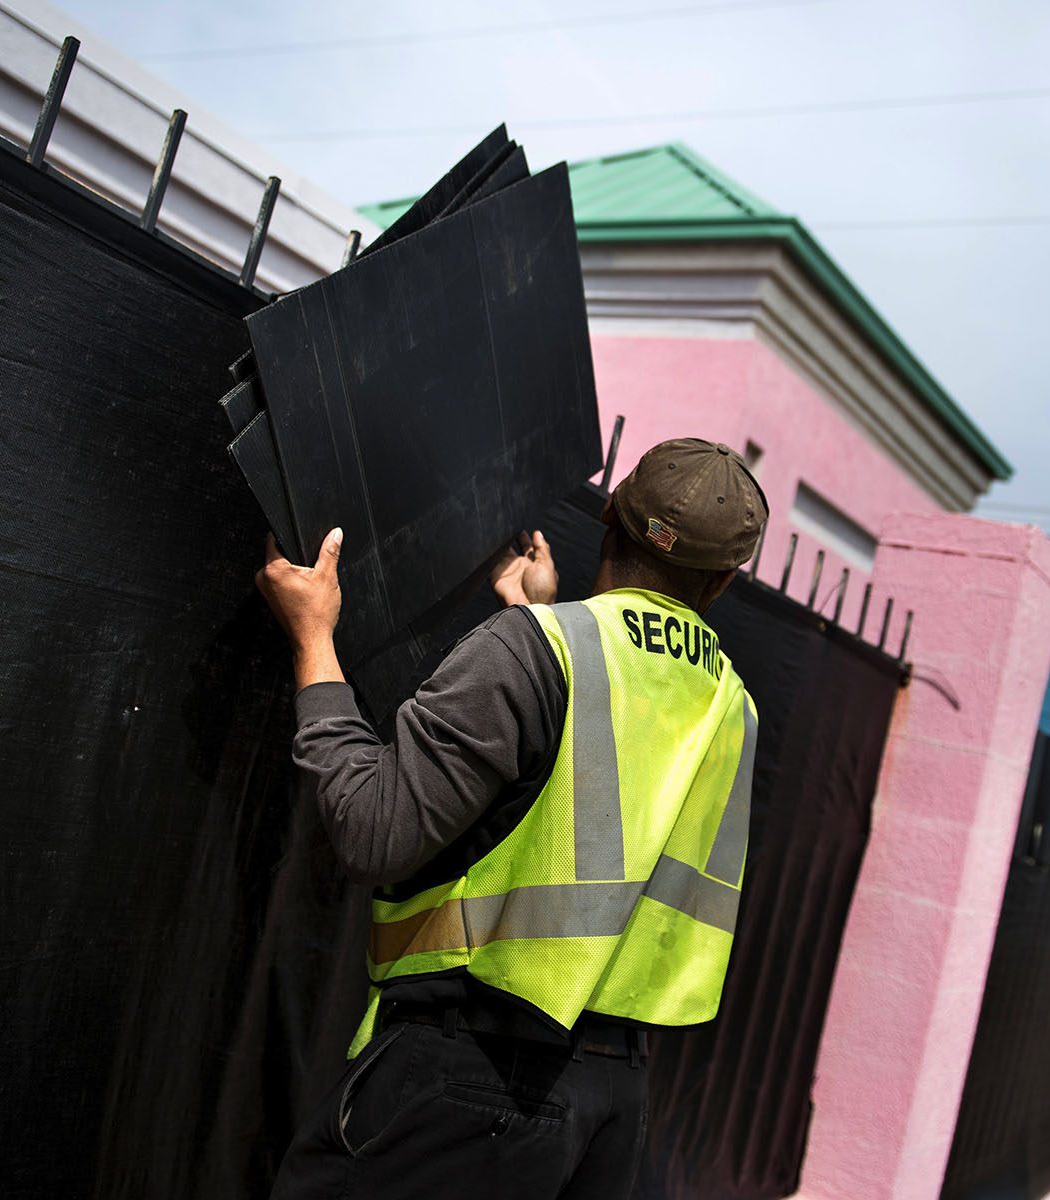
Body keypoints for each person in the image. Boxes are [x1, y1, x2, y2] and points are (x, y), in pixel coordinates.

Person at [256, 438, 767, 1199]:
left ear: (608, 518)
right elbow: (605, 771)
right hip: (609, 1104)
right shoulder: (734, 707)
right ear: (723, 582)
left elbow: (371, 828)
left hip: (472, 1080)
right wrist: (535, 615)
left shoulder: (533, 654)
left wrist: (312, 635)